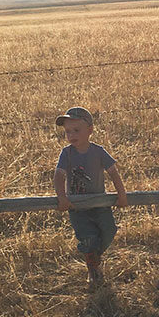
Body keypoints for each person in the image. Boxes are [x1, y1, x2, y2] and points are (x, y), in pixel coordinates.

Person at [54, 106, 128, 286]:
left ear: (90, 130)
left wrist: (122, 194)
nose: (71, 135)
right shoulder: (67, 153)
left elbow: (114, 173)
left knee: (109, 230)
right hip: (77, 207)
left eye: (76, 130)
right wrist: (62, 198)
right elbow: (59, 176)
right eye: (68, 132)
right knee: (87, 237)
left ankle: (94, 256)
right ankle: (93, 268)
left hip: (99, 203)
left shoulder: (98, 151)